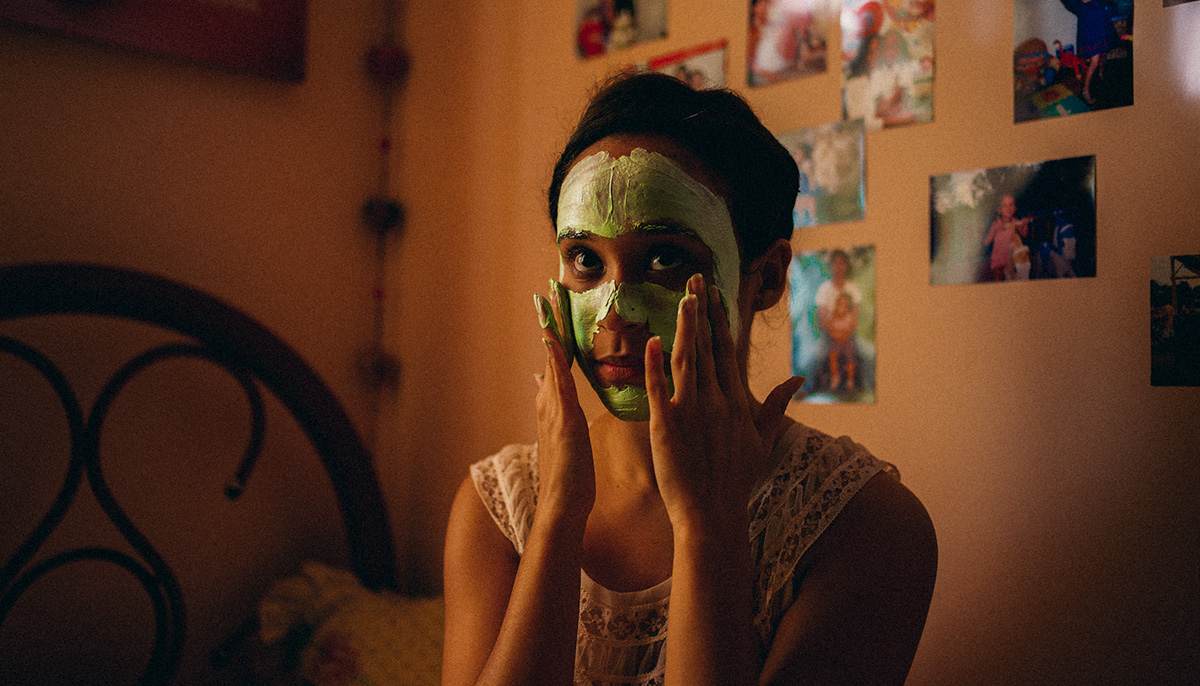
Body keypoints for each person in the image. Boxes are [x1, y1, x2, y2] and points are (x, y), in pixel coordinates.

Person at [441, 72, 937, 686]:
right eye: (585, 260)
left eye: (665, 257)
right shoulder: (493, 509)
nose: (614, 313)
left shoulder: (869, 526)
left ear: (767, 278)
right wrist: (558, 518)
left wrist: (709, 527)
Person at [1058, 0, 1119, 105]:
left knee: (1103, 53)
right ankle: (1085, 91)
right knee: (1095, 61)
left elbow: (1111, 4)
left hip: (1103, 26)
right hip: (1091, 32)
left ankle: (1100, 74)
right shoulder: (1077, 4)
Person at [983, 194, 1031, 282]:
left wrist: (1025, 224)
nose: (1008, 208)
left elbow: (1024, 234)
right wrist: (993, 230)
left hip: (1011, 256)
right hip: (999, 256)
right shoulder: (996, 224)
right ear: (999, 210)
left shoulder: (1015, 221)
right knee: (998, 277)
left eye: (1011, 205)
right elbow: (987, 242)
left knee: (1012, 276)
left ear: (1015, 208)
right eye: (1004, 205)